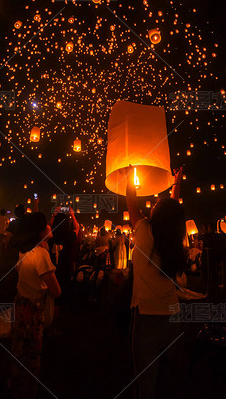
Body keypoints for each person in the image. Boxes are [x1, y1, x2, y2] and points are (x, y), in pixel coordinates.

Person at [126, 167, 186, 399]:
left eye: (156, 206)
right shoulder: (174, 239)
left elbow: (131, 202)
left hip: (147, 315)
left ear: (156, 216)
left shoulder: (144, 232)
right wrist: (176, 184)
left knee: (146, 375)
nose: (153, 205)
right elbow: (174, 214)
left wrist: (130, 174)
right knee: (167, 372)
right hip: (173, 314)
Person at [10, 212, 61, 399]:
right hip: (33, 311)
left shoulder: (25, 251)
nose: (50, 226)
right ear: (39, 231)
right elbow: (57, 291)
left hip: (20, 305)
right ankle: (27, 392)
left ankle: (14, 386)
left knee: (19, 351)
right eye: (47, 225)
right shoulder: (41, 256)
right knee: (31, 355)